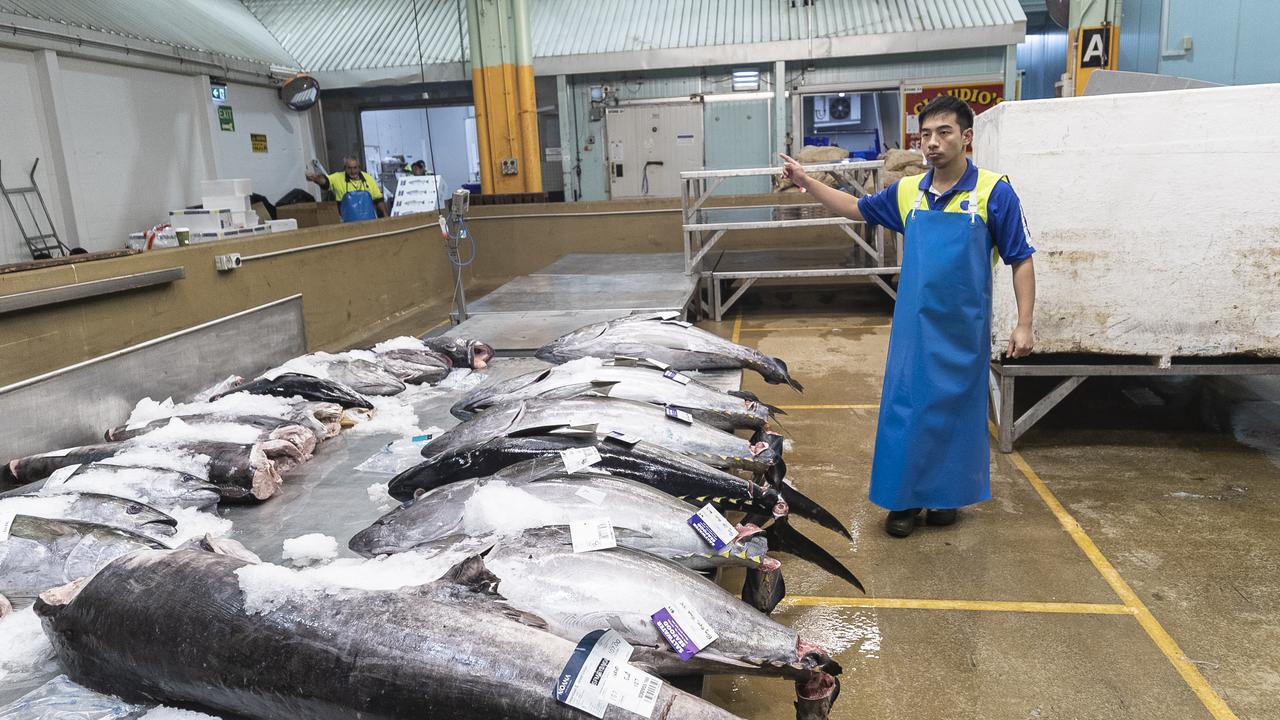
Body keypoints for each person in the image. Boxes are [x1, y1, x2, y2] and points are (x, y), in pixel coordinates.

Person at [781, 95, 1037, 538]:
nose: (933, 143)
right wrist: (805, 180)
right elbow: (854, 208)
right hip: (914, 331)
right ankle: (904, 501)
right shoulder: (907, 193)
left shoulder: (994, 193)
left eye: (944, 132)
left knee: (956, 415)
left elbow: (1021, 258)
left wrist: (1024, 322)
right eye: (926, 135)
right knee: (908, 410)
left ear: (966, 138)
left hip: (964, 330)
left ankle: (945, 499)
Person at [305, 157, 386, 222]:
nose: (353, 171)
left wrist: (386, 216)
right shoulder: (337, 177)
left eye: (355, 168)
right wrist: (315, 178)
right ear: (345, 168)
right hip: (347, 225)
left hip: (370, 223)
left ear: (359, 167)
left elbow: (378, 200)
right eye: (349, 168)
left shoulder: (368, 179)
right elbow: (325, 181)